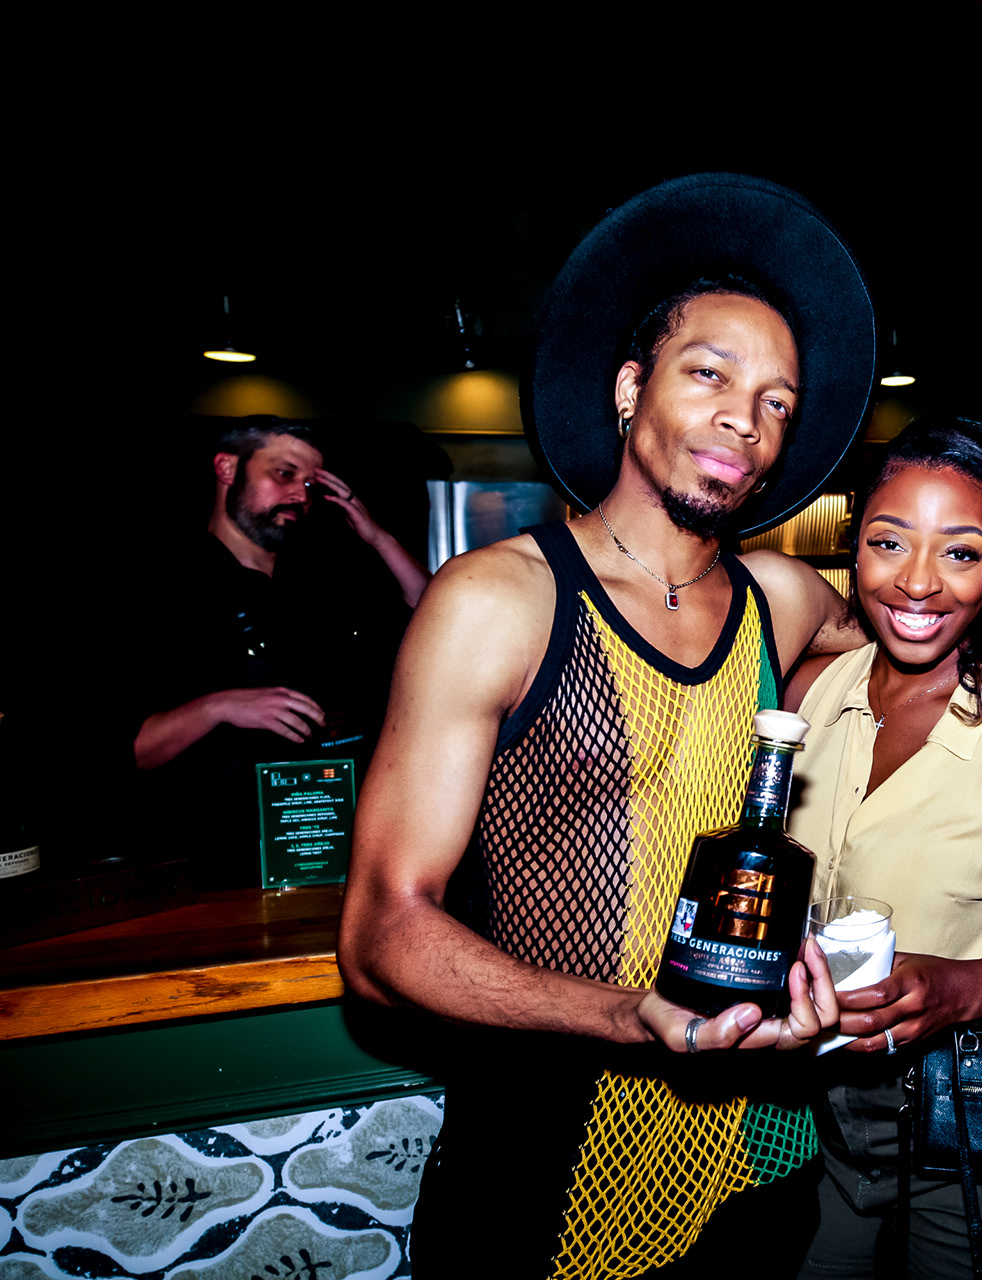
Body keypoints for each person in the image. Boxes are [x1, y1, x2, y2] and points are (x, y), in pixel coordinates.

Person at [337, 175, 879, 1278]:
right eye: (710, 373)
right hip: (544, 1156)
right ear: (632, 388)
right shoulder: (499, 602)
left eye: (777, 401)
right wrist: (635, 1015)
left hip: (763, 1156)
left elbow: (911, 645)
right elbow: (382, 934)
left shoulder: (783, 599)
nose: (746, 418)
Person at [781, 418, 982, 1279]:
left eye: (960, 553)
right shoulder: (810, 695)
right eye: (889, 542)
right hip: (833, 1133)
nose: (917, 581)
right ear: (854, 545)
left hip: (979, 1140)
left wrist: (957, 990)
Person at [130, 416, 431, 885]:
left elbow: (434, 613)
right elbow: (135, 750)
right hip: (214, 870)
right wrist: (219, 707)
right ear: (227, 469)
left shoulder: (319, 581)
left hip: (328, 850)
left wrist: (377, 536)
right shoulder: (168, 587)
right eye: (284, 473)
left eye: (310, 484)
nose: (299, 495)